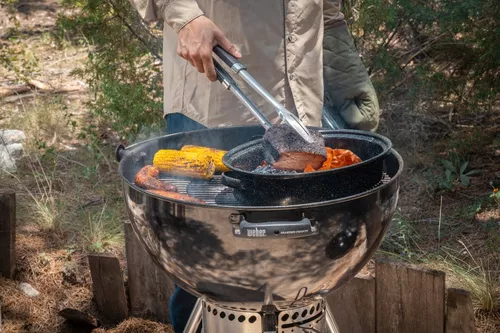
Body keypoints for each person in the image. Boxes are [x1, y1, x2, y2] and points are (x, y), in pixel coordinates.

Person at [130, 1, 380, 332]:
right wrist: (186, 16)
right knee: (209, 265)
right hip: (214, 107)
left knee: (298, 258)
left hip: (301, 112)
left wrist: (349, 81)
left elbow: (328, 13)